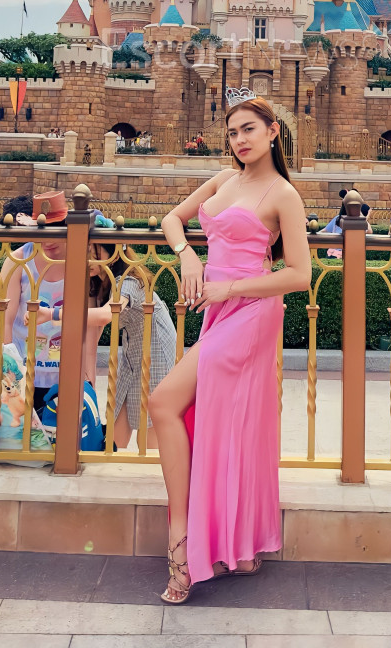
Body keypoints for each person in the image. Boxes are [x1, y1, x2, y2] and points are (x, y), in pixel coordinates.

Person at [149, 93, 311, 604]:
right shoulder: (223, 179)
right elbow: (172, 219)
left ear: (273, 132)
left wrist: (229, 288)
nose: (240, 140)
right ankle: (235, 546)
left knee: (164, 402)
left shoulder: (284, 194)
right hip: (216, 310)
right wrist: (187, 256)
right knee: (222, 422)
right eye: (233, 132)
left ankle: (183, 542)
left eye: (249, 129)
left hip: (250, 311)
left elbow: (299, 275)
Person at [3, 190, 105, 412]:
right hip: (24, 370)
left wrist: (89, 378)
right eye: (42, 230)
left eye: (56, 229)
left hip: (67, 372)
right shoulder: (18, 260)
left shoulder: (84, 262)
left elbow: (89, 328)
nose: (48, 240)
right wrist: (9, 371)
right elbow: (5, 320)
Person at [86, 247, 177, 448]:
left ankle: (154, 467)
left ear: (114, 253)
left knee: (148, 431)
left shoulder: (129, 281)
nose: (88, 259)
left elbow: (106, 315)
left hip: (156, 351)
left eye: (94, 252)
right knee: (116, 423)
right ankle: (115, 461)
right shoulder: (99, 282)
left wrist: (55, 314)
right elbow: (94, 332)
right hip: (132, 352)